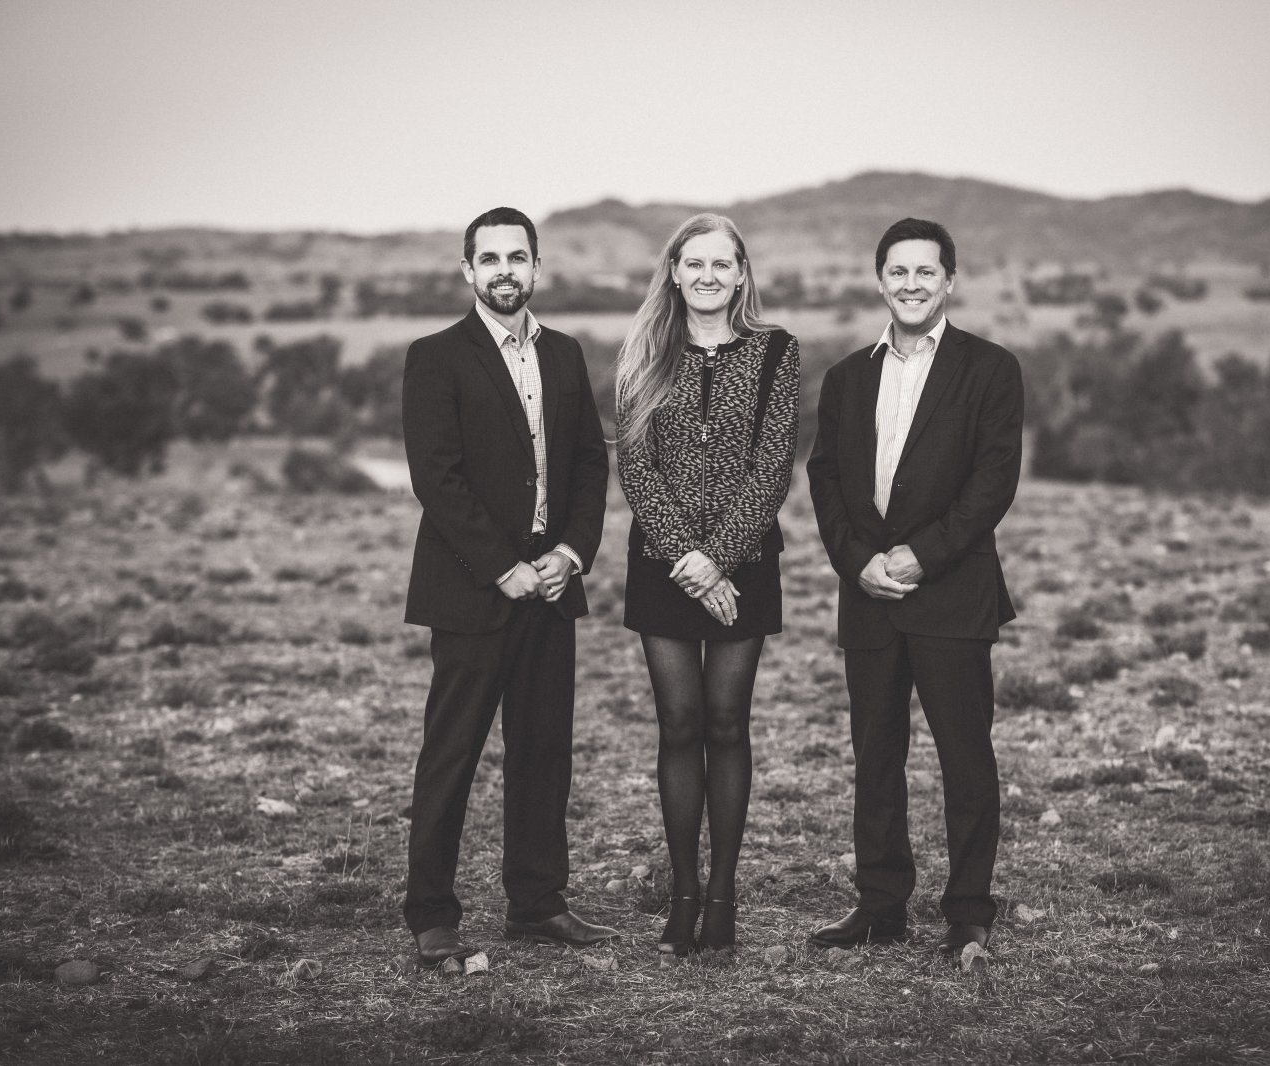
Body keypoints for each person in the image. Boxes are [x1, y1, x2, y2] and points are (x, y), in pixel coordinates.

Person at [400, 207, 613, 964]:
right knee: (452, 753)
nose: (504, 271)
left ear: (537, 267)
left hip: (551, 587)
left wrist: (571, 553)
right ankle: (431, 912)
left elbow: (589, 463)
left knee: (543, 752)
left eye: (516, 258)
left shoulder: (565, 353)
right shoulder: (435, 356)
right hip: (472, 589)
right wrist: (503, 566)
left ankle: (537, 903)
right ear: (468, 271)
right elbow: (437, 477)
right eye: (488, 259)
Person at [805, 217, 1023, 957]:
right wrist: (857, 562)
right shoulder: (846, 377)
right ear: (880, 281)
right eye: (898, 271)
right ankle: (880, 906)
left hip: (951, 592)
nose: (911, 284)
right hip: (868, 595)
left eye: (925, 271)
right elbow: (825, 478)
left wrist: (919, 557)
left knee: (965, 759)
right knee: (875, 758)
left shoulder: (990, 369)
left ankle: (968, 911)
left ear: (949, 281)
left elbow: (993, 481)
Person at [614, 213, 800, 955]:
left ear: (742, 273)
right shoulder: (642, 354)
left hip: (743, 564)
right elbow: (636, 469)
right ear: (675, 272)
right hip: (662, 566)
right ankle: (683, 891)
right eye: (694, 263)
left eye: (722, 264)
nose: (708, 276)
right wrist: (687, 559)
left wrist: (718, 558)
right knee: (678, 723)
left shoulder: (775, 351)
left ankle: (722, 894)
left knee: (726, 723)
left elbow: (774, 466)